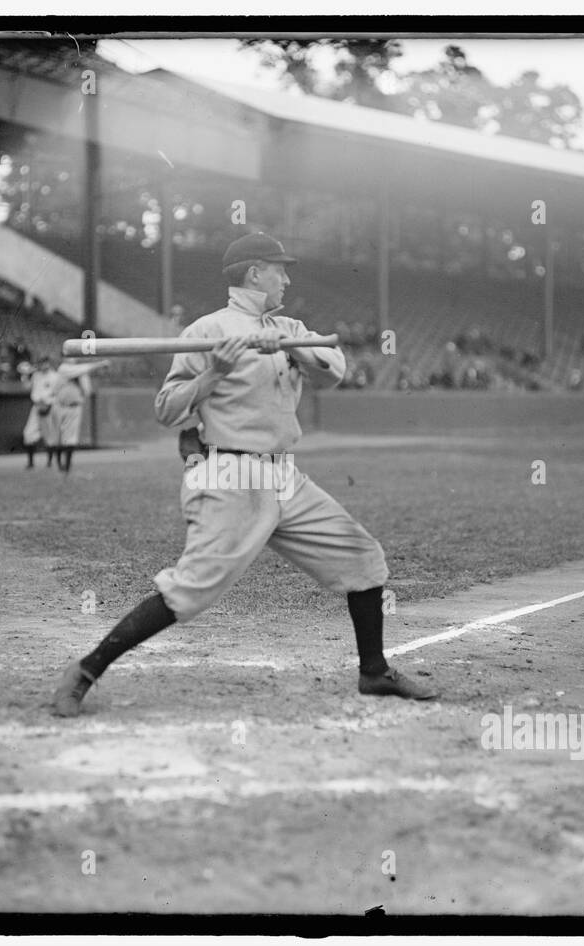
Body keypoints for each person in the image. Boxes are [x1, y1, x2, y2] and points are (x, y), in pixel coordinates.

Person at [50, 231, 434, 716]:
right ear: (255, 273)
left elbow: (333, 369)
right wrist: (214, 372)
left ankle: (374, 671)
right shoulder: (204, 332)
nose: (287, 279)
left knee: (364, 559)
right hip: (230, 475)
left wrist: (292, 348)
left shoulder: (290, 326)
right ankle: (86, 669)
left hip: (285, 477)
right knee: (189, 592)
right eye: (280, 270)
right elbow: (167, 411)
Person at [22, 355, 57, 468]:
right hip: (37, 407)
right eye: (41, 363)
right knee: (28, 434)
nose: (43, 365)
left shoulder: (55, 376)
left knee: (50, 436)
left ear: (49, 363)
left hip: (49, 407)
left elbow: (57, 393)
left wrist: (49, 403)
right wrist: (25, 375)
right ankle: (31, 463)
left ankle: (50, 462)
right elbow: (26, 387)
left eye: (45, 362)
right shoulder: (36, 375)